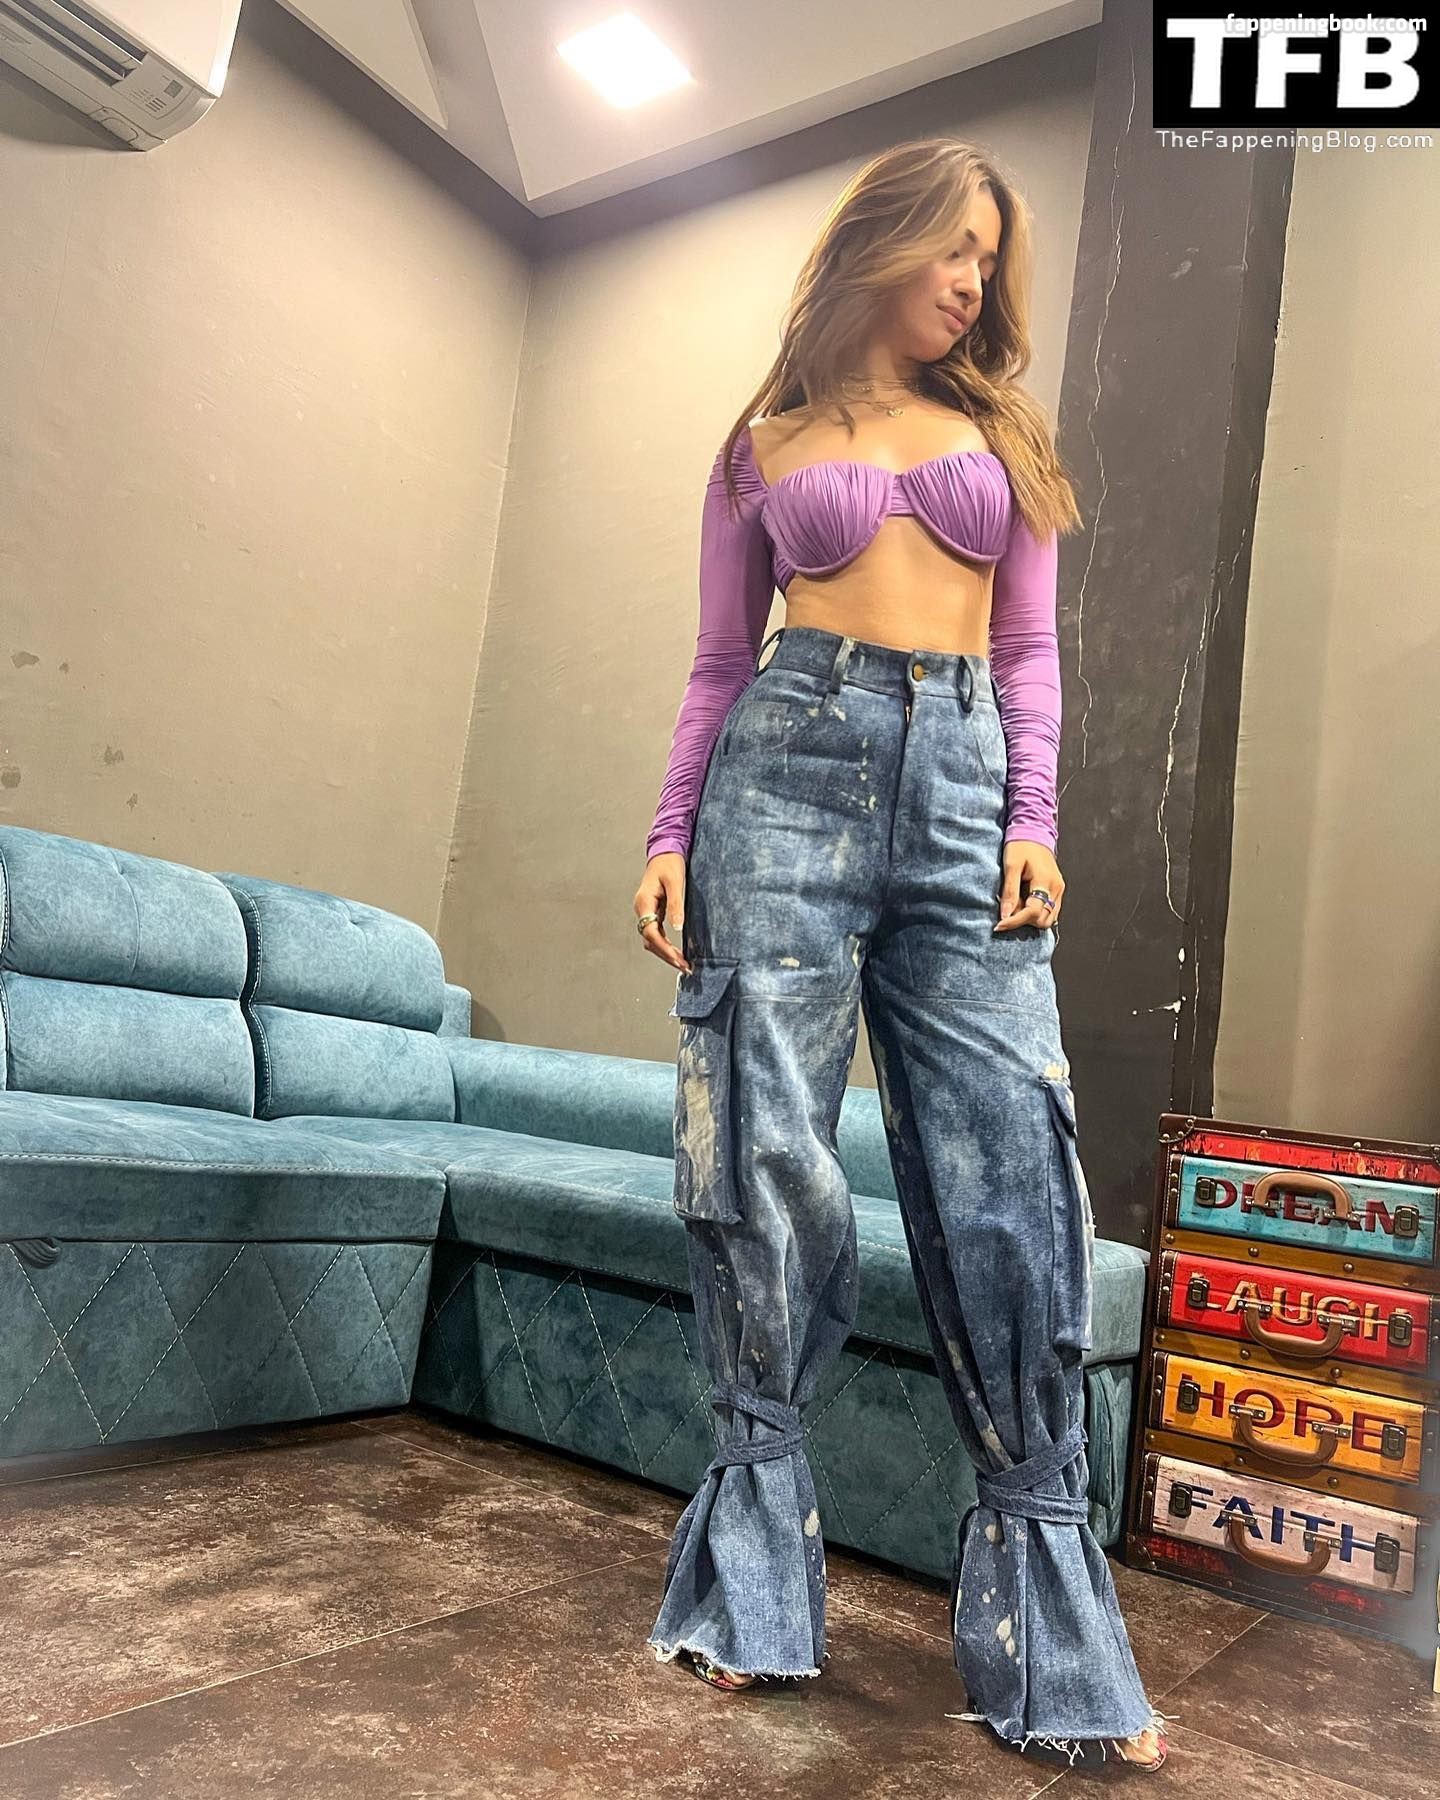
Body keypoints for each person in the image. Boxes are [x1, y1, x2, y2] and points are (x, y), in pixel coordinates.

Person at [631, 136, 1170, 1775]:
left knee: (1012, 1173)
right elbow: (720, 658)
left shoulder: (1003, 435)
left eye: (988, 261)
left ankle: (1053, 1643)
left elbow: (1032, 648)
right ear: (884, 239)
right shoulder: (764, 439)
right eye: (954, 248)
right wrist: (668, 831)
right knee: (764, 1156)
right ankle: (750, 1596)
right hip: (780, 775)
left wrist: (1034, 815)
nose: (971, 282)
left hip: (963, 788)